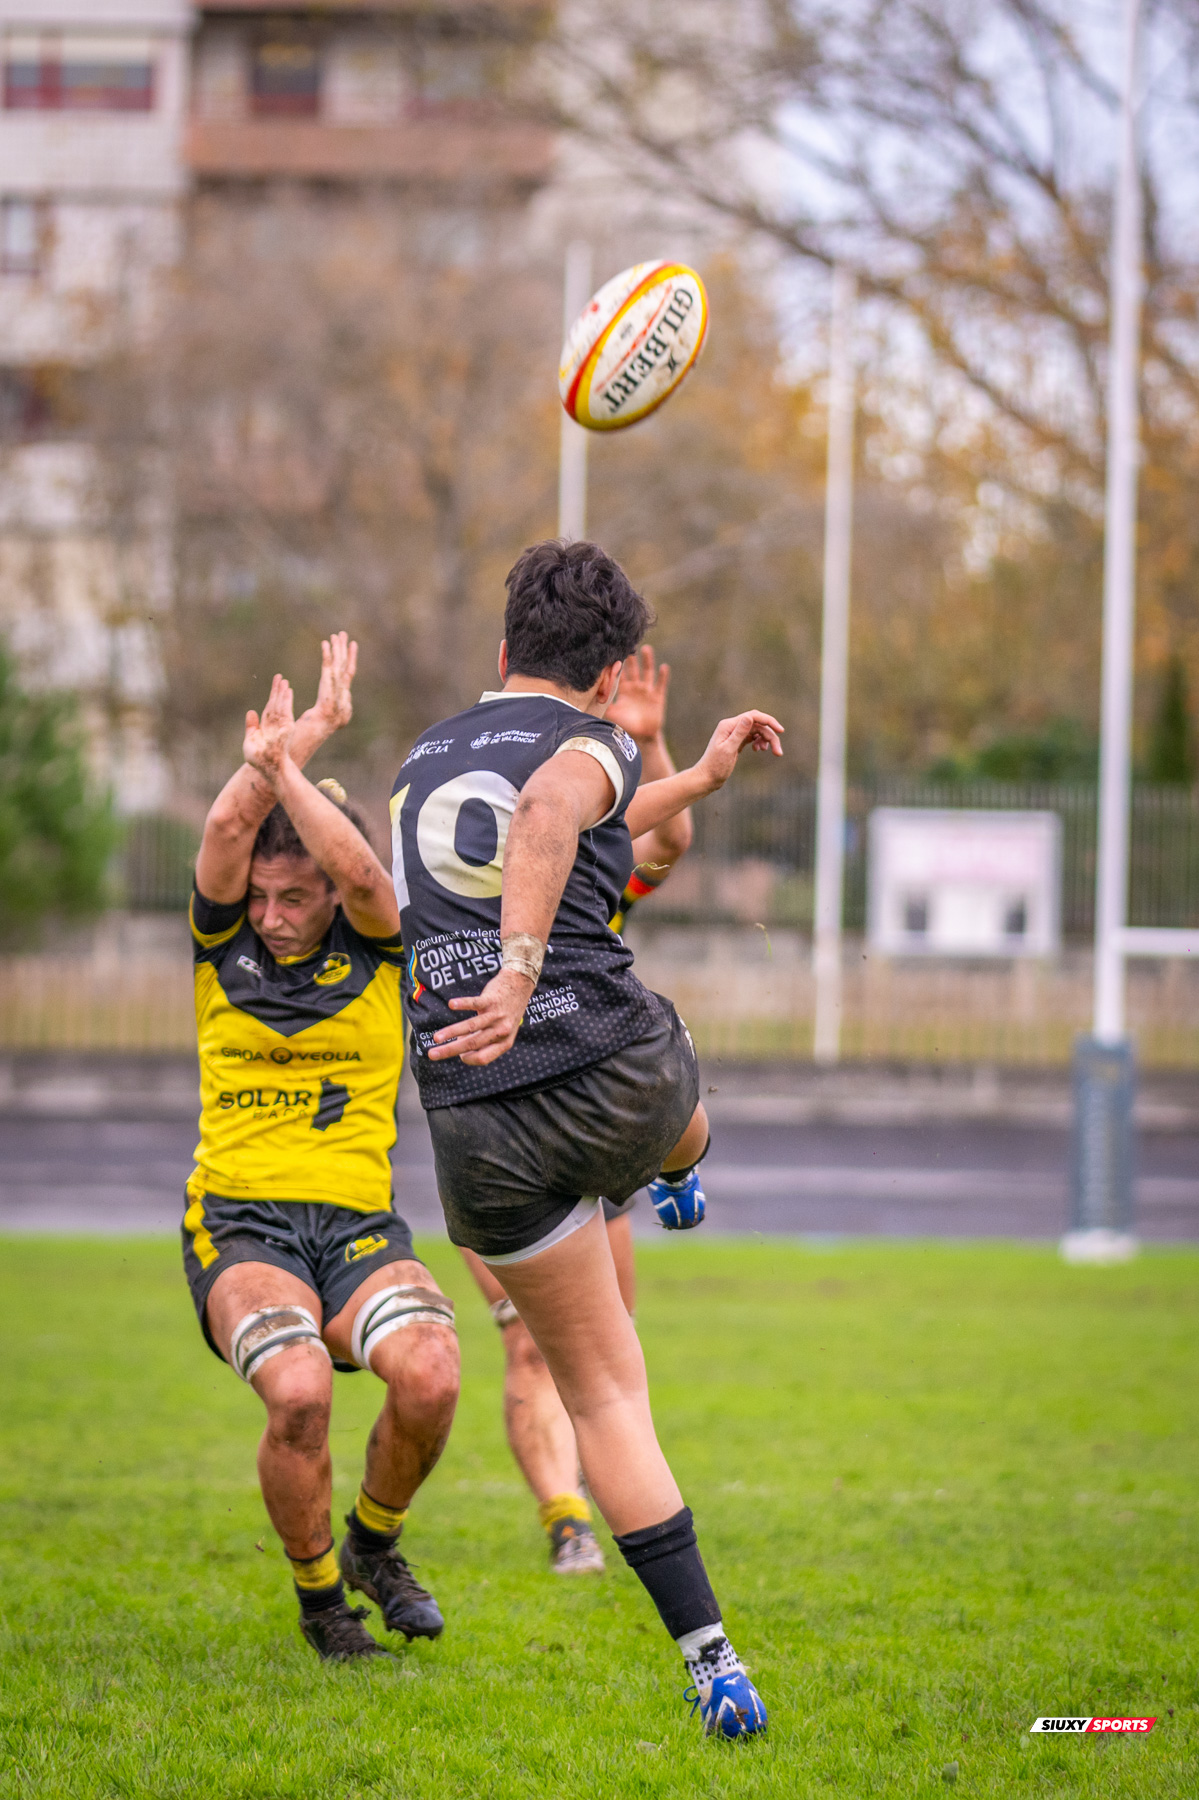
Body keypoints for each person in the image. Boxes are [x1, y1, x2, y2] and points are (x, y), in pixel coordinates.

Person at [391, 539, 781, 1739]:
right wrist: (517, 974)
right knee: (684, 1109)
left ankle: (711, 1661)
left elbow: (583, 816)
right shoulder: (590, 745)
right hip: (605, 1069)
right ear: (613, 676)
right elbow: (562, 804)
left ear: (502, 651)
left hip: (472, 1121)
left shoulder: (422, 757)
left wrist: (699, 777)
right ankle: (678, 1178)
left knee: (602, 1399)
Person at [183, 634, 460, 1665]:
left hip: (353, 1228)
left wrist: (294, 764)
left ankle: (374, 1547)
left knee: (431, 1374)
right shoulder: (224, 948)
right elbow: (222, 828)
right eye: (259, 898)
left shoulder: (379, 945)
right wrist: (288, 749)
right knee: (297, 1390)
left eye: (291, 900)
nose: (271, 917)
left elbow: (357, 866)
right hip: (241, 1223)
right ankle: (320, 1605)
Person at [457, 644, 702, 1575]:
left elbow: (668, 844)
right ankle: (567, 1524)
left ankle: (613, 1492)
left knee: (610, 1363)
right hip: (493, 1127)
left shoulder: (594, 879)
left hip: (593, 1129)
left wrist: (649, 741)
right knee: (532, 1345)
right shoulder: (470, 878)